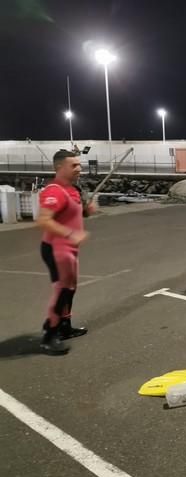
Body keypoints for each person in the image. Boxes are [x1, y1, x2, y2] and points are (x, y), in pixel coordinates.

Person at [36, 150, 95, 354]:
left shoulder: (72, 190)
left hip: (70, 248)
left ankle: (64, 326)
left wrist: (87, 211)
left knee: (70, 289)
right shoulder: (54, 191)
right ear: (59, 167)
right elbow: (44, 220)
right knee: (62, 290)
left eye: (79, 165)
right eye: (74, 165)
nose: (79, 169)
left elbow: (73, 213)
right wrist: (70, 233)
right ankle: (49, 335)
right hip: (56, 248)